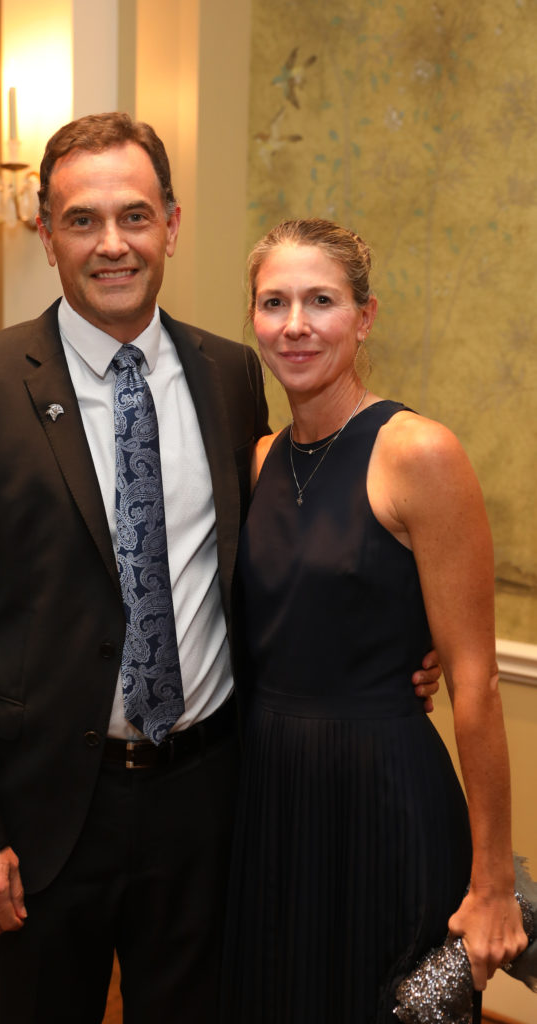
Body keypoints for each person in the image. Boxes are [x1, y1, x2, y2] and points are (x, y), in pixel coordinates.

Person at [0, 116, 440, 1024]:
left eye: (135, 216)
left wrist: (396, 652)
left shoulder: (232, 373)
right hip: (43, 818)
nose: (112, 244)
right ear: (47, 235)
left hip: (209, 801)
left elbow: (286, 549)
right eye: (82, 220)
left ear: (173, 227)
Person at [220, 218, 528, 1024]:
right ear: (251, 318)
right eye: (273, 302)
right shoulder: (257, 458)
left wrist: (492, 884)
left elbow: (473, 679)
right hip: (270, 794)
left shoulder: (418, 452)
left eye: (320, 300)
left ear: (364, 315)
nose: (294, 324)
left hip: (384, 796)